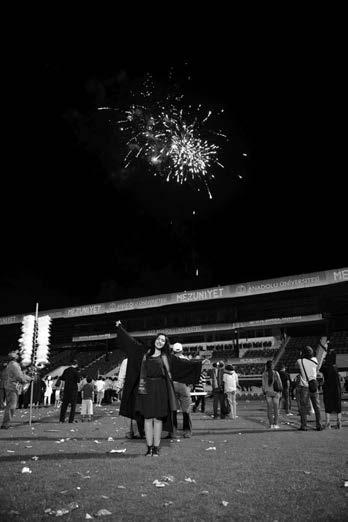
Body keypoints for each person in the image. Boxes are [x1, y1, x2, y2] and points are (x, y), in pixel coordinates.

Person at [115, 321, 205, 457]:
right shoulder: (145, 353)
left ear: (165, 343)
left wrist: (198, 363)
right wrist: (120, 329)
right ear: (155, 340)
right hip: (146, 390)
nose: (160, 342)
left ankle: (156, 448)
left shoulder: (167, 357)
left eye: (163, 340)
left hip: (161, 390)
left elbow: (183, 364)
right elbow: (131, 343)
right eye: (158, 339)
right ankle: (149, 447)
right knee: (147, 419)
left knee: (157, 420)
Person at [1, 350, 32, 429]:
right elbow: (20, 376)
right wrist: (29, 378)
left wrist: (27, 377)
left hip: (10, 386)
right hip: (12, 387)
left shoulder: (12, 364)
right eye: (18, 355)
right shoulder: (14, 365)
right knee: (11, 406)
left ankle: (6, 423)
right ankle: (5, 424)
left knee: (10, 405)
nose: (20, 357)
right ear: (15, 357)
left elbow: (20, 375)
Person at [116, 357, 145, 439]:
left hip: (128, 387)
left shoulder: (126, 361)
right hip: (139, 387)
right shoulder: (143, 359)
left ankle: (129, 432)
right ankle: (138, 432)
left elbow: (122, 375)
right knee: (137, 410)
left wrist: (119, 387)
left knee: (128, 410)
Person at [296, 346, 322, 431]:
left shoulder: (300, 361)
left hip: (305, 387)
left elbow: (296, 366)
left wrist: (300, 355)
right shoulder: (315, 360)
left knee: (303, 407)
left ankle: (304, 426)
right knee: (317, 407)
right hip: (314, 386)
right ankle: (319, 425)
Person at [170, 342, 192, 438]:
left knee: (173, 410)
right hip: (184, 386)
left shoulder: (169, 360)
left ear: (173, 351)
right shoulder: (187, 360)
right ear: (182, 350)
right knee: (186, 411)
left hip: (173, 386)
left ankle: (173, 431)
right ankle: (187, 431)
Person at [320, 350, 342, 429]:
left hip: (328, 388)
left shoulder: (325, 367)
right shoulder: (335, 367)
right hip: (337, 388)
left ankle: (328, 423)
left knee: (328, 405)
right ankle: (339, 422)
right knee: (338, 405)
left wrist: (323, 359)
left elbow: (319, 368)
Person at [262, 360, 282, 429]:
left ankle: (271, 424)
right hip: (276, 393)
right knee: (276, 410)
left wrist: (264, 392)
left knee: (269, 410)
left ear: (266, 366)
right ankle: (276, 424)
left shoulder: (264, 374)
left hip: (268, 393)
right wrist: (280, 391)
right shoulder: (276, 373)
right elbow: (280, 383)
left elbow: (263, 385)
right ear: (272, 366)